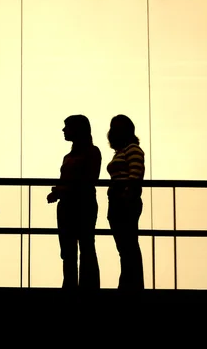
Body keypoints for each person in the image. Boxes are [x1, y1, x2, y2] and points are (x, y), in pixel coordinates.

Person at [47, 115, 101, 291]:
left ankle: (84, 289)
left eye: (67, 127)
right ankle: (75, 287)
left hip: (81, 206)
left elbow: (87, 180)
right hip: (70, 206)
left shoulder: (91, 152)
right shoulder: (74, 155)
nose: (63, 130)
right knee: (70, 251)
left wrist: (61, 191)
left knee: (84, 247)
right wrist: (59, 191)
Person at [106, 114, 145, 291]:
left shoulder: (133, 150)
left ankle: (131, 286)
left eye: (117, 127)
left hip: (125, 202)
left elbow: (135, 176)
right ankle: (129, 284)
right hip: (117, 201)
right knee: (125, 247)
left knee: (128, 246)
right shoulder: (121, 152)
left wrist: (126, 197)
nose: (113, 131)